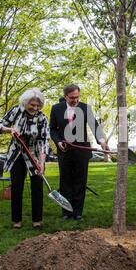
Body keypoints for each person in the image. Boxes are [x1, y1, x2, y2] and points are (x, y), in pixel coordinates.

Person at [50, 84, 108, 221]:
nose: (75, 100)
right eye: (72, 98)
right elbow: (52, 129)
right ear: (65, 97)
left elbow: (94, 125)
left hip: (82, 151)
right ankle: (66, 212)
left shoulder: (85, 108)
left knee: (80, 182)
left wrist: (102, 140)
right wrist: (58, 142)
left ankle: (77, 212)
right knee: (65, 182)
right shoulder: (56, 108)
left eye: (77, 97)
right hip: (64, 151)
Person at [0, 88, 49, 229]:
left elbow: (44, 141)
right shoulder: (16, 111)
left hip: (35, 155)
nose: (35, 108)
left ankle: (37, 220)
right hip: (17, 154)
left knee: (37, 187)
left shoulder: (42, 118)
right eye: (32, 105)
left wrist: (42, 163)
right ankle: (16, 220)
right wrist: (10, 130)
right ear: (25, 102)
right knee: (17, 187)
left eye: (38, 105)